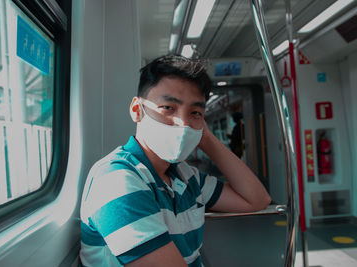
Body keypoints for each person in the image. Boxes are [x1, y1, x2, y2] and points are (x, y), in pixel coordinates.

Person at [79, 55, 271, 267]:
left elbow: (256, 199)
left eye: (195, 112)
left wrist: (205, 138)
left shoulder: (185, 176)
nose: (183, 123)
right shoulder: (117, 180)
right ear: (136, 110)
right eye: (168, 108)